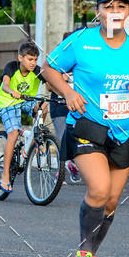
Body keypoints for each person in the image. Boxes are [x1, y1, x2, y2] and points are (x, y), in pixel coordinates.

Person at [42, 0, 129, 257]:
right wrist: (68, 92)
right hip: (87, 125)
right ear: (98, 12)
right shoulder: (82, 41)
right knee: (98, 189)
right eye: (108, 7)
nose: (114, 12)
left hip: (122, 133)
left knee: (110, 201)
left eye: (120, 7)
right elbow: (48, 69)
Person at [0, 40, 46, 193]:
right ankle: (4, 177)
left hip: (25, 101)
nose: (33, 63)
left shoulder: (37, 71)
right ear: (20, 58)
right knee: (13, 133)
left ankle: (37, 139)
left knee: (43, 106)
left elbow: (50, 83)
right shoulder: (12, 67)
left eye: (35, 59)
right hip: (8, 102)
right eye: (30, 59)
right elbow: (5, 84)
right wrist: (12, 91)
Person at [47, 32, 81, 184]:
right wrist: (62, 85)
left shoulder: (83, 60)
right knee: (61, 139)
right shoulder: (58, 60)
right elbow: (48, 86)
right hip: (59, 105)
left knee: (76, 138)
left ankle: (72, 164)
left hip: (76, 105)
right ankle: (59, 173)